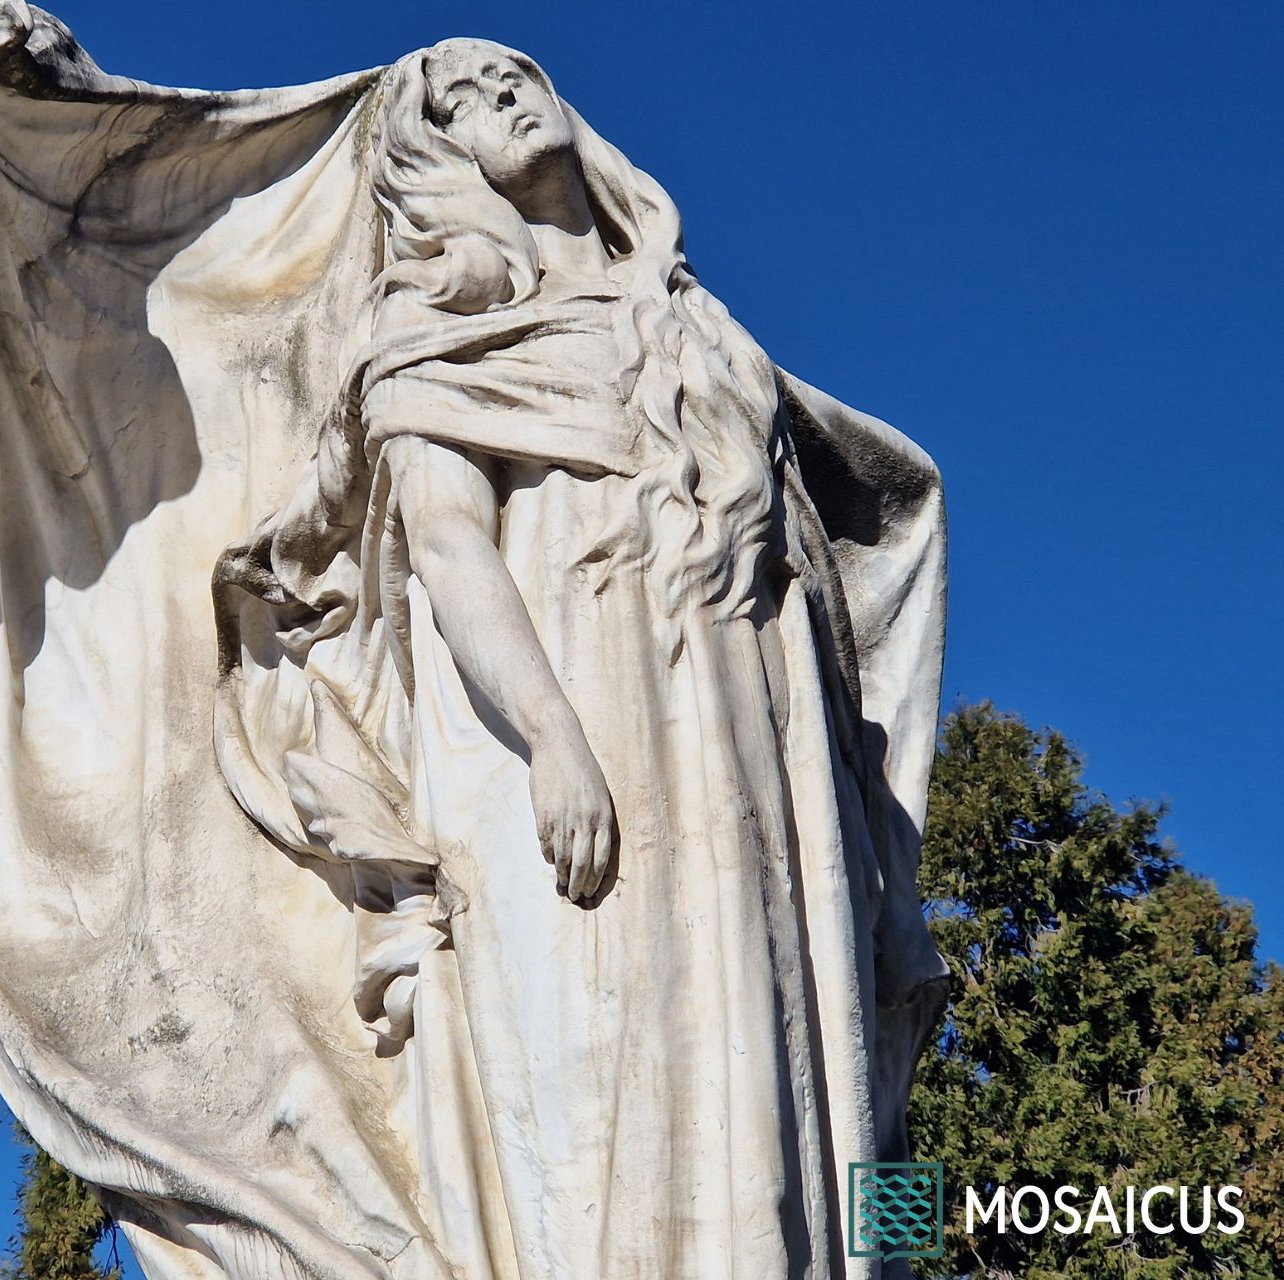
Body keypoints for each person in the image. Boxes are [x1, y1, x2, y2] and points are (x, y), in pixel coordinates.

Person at [214, 38, 947, 1277]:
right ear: (438, 160)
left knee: (802, 1046)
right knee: (612, 1056)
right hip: (574, 713)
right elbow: (448, 541)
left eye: (515, 74)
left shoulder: (693, 316)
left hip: (753, 717)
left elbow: (872, 515)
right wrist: (555, 737)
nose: (500, 91)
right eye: (460, 100)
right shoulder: (433, 328)